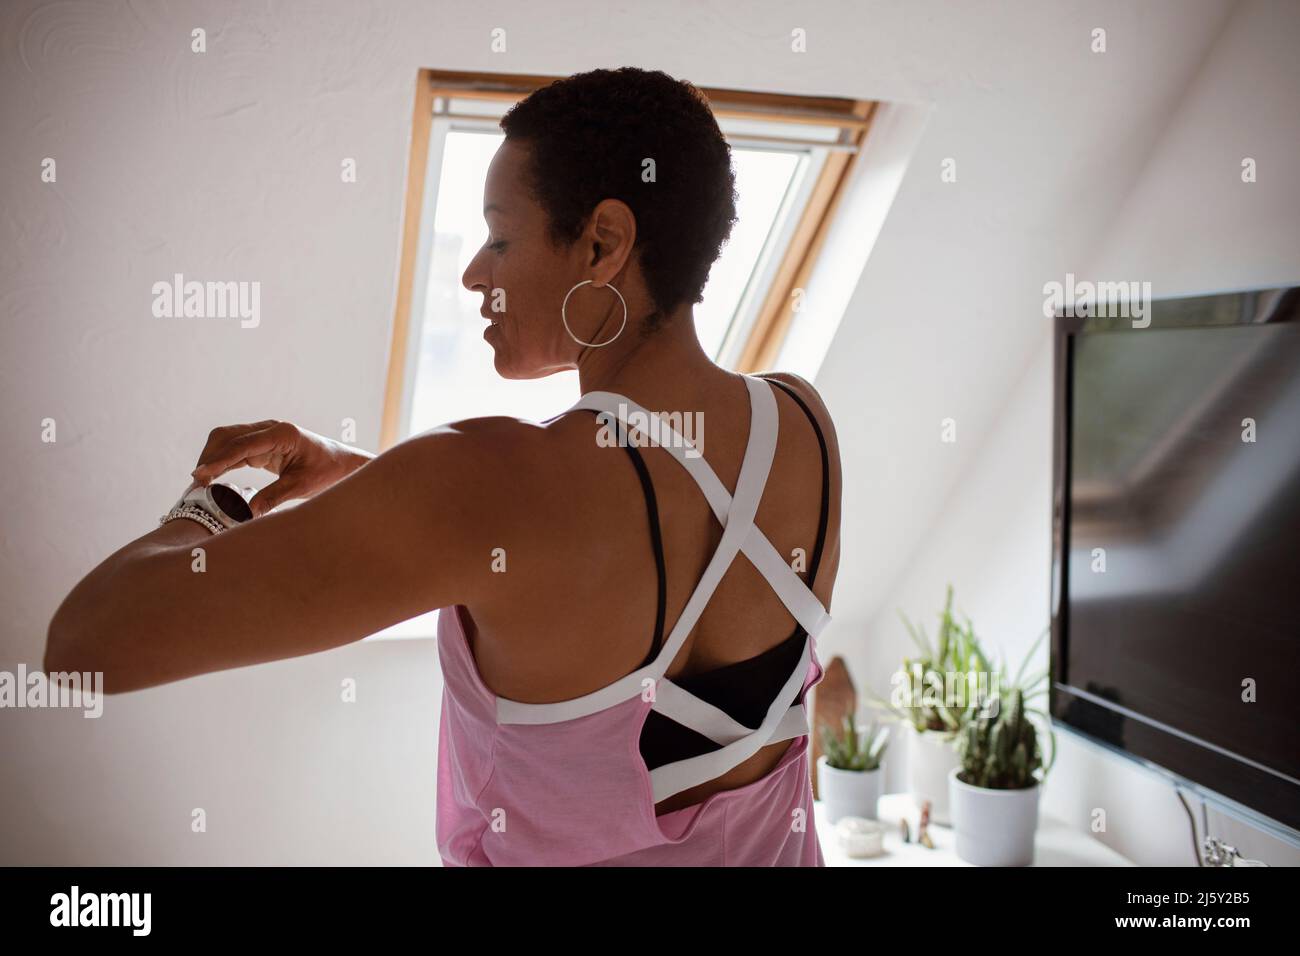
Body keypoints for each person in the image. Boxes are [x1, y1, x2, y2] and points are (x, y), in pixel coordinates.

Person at [45, 66, 843, 866]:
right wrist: (361, 474)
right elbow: (605, 523)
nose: (474, 273)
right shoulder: (803, 424)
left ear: (602, 242)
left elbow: (84, 645)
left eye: (501, 236)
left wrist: (210, 505)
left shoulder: (489, 490)